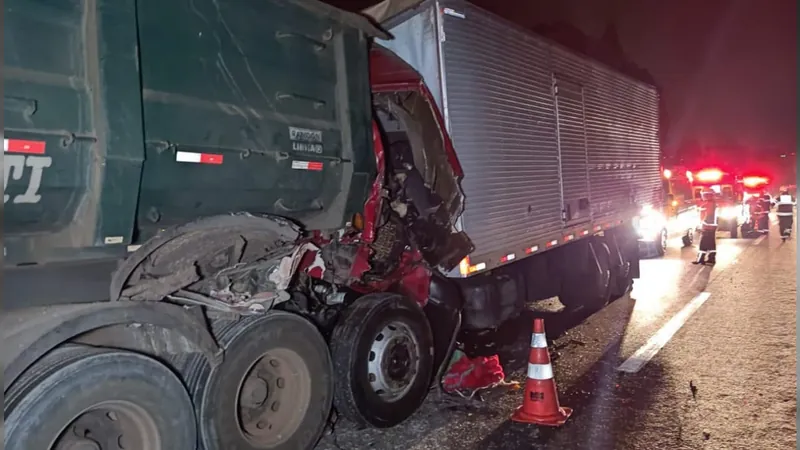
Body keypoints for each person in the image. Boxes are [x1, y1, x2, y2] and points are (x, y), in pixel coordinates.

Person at [693, 190, 718, 265]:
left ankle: (700, 259)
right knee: (711, 243)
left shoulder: (706, 205)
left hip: (706, 227)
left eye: (703, 195)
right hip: (713, 227)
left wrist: (701, 225)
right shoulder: (714, 204)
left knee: (703, 244)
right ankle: (711, 258)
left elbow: (704, 216)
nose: (702, 197)